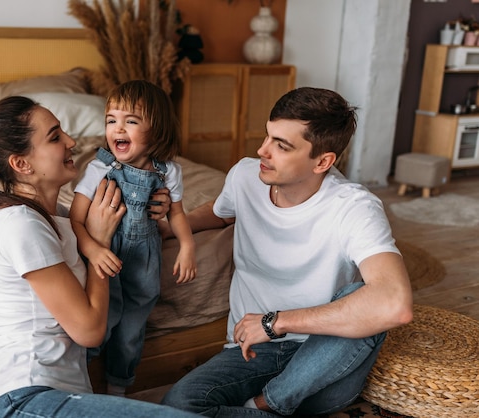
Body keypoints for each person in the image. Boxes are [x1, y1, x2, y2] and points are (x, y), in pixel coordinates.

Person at [160, 87, 414, 417]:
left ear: (323, 161)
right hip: (252, 352)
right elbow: (223, 211)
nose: (262, 151)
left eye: (281, 146)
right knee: (177, 407)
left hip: (326, 357)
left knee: (367, 296)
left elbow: (396, 304)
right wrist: (174, 226)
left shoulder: (354, 207)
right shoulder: (245, 176)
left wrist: (276, 322)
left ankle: (268, 405)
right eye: (268, 136)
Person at [0, 95, 198, 418]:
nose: (72, 141)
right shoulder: (20, 224)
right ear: (22, 164)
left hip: (66, 396)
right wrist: (99, 243)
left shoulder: (61, 218)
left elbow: (129, 225)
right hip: (26, 399)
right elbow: (90, 331)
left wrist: (156, 207)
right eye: (54, 137)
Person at [69, 80, 197, 397]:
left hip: (145, 256)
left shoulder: (169, 172)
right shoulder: (100, 167)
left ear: (157, 129)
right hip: (106, 251)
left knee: (131, 327)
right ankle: (78, 382)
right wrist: (93, 250)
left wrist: (187, 246)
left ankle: (117, 387)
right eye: (111, 120)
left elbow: (177, 214)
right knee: (104, 318)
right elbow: (75, 218)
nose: (118, 129)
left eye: (131, 120)